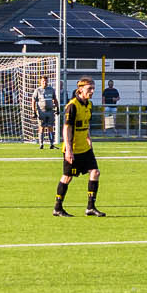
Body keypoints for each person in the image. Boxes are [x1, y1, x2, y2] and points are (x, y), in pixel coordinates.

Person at [54, 77, 105, 217]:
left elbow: (86, 123)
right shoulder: (72, 105)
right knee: (67, 177)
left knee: (95, 172)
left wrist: (89, 138)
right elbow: (66, 128)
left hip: (85, 148)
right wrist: (69, 149)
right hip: (74, 148)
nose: (92, 91)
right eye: (90, 89)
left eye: (93, 88)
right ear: (80, 89)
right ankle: (57, 208)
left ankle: (90, 207)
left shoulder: (89, 105)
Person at [33, 79, 59, 151]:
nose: (45, 82)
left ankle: (51, 144)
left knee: (50, 127)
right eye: (43, 81)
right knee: (42, 128)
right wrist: (34, 111)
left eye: (46, 81)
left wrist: (57, 108)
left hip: (50, 111)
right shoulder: (38, 90)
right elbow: (33, 100)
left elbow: (55, 99)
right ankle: (41, 144)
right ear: (40, 82)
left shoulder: (51, 89)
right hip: (41, 112)